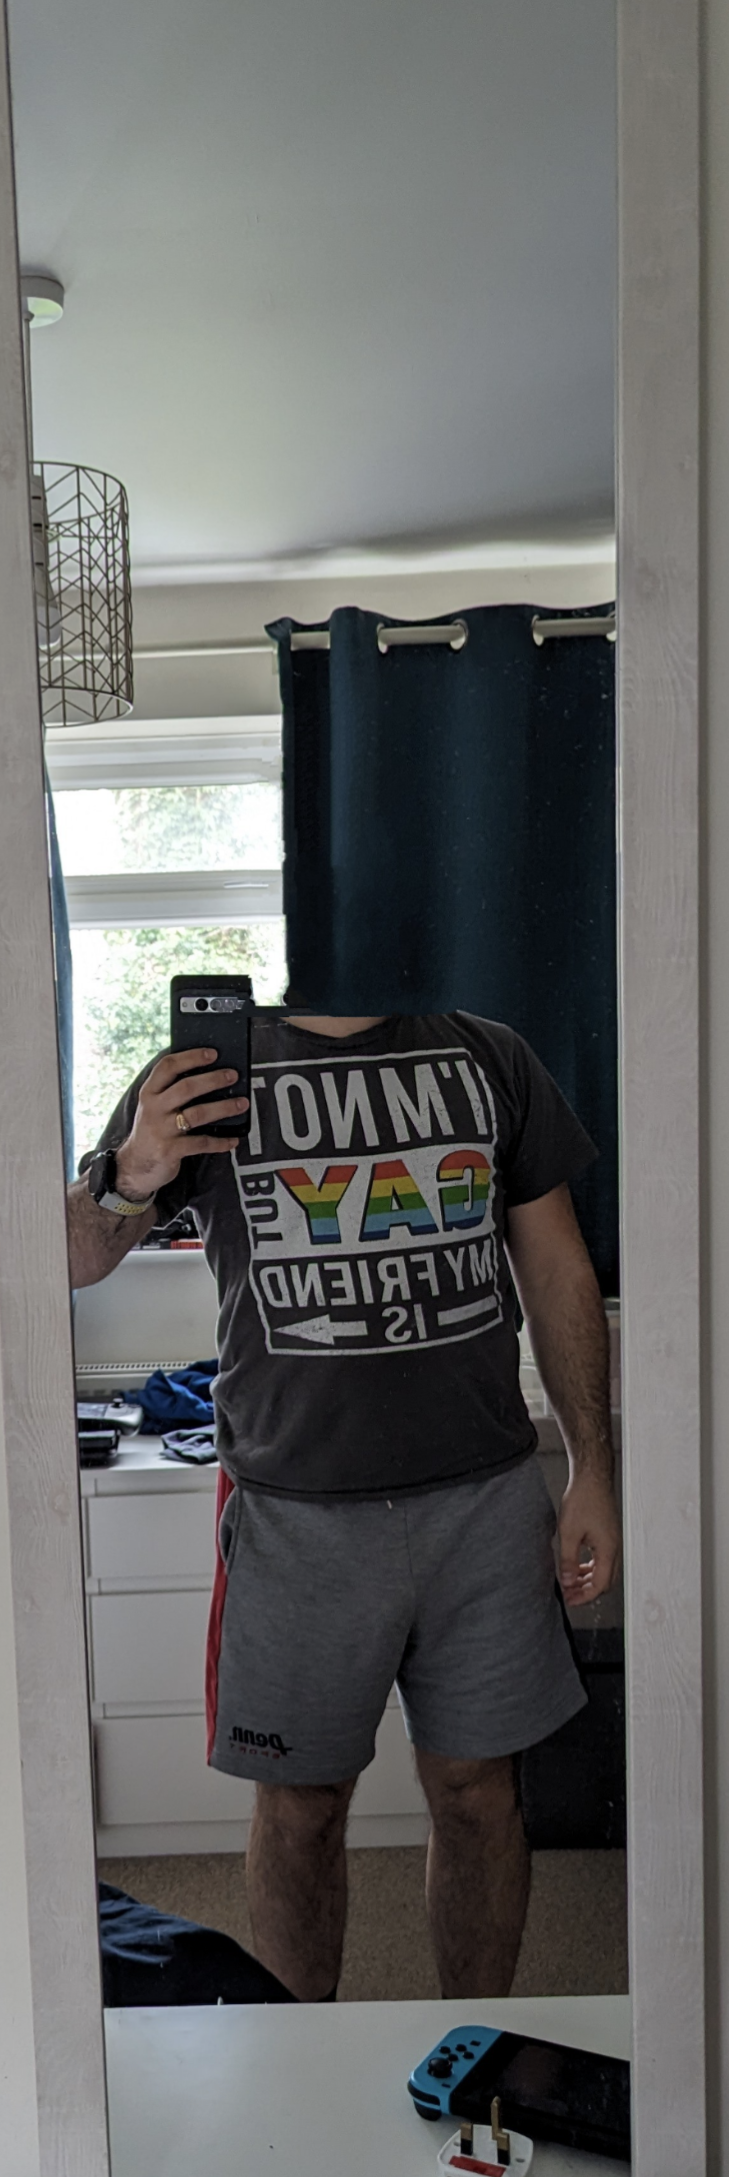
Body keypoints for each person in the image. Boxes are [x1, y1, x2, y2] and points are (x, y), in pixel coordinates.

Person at [69, 1008, 621, 2002]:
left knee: (478, 1792)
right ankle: (297, 2052)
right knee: (302, 1807)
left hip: (485, 1500)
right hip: (293, 1513)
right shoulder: (209, 1067)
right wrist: (133, 1169)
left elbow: (557, 1267)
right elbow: (72, 1256)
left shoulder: (490, 1052)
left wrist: (593, 1465)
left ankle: (472, 2042)